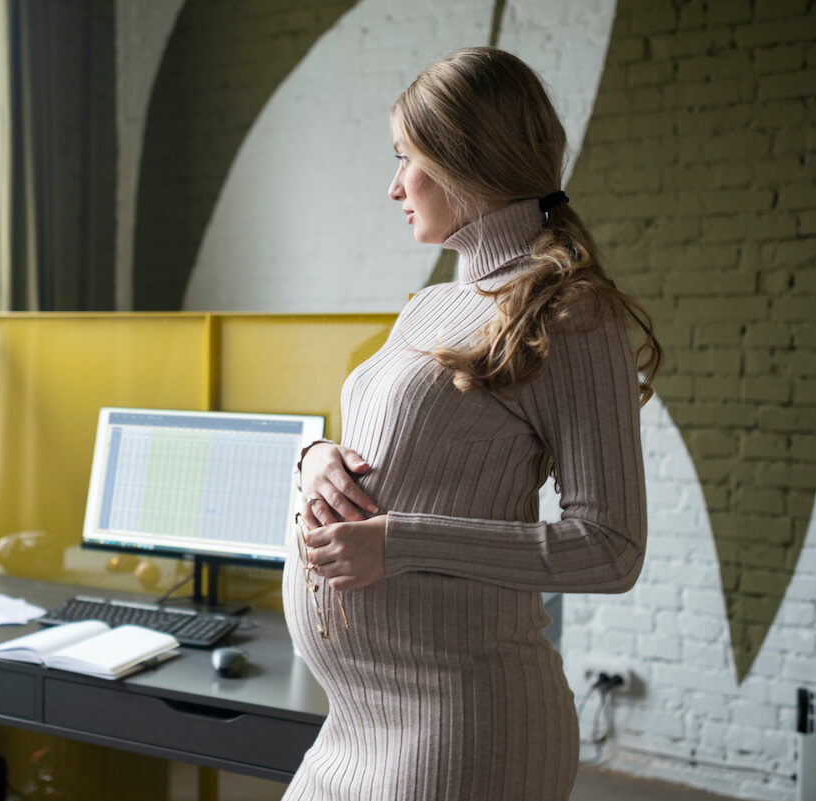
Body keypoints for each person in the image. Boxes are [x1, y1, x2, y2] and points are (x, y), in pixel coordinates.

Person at [282, 47, 661, 801]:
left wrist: (398, 542)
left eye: (406, 159)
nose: (393, 186)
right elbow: (397, 449)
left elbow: (612, 548)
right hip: (353, 721)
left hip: (462, 725)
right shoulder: (429, 305)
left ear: (467, 163)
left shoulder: (569, 313)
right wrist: (315, 457)